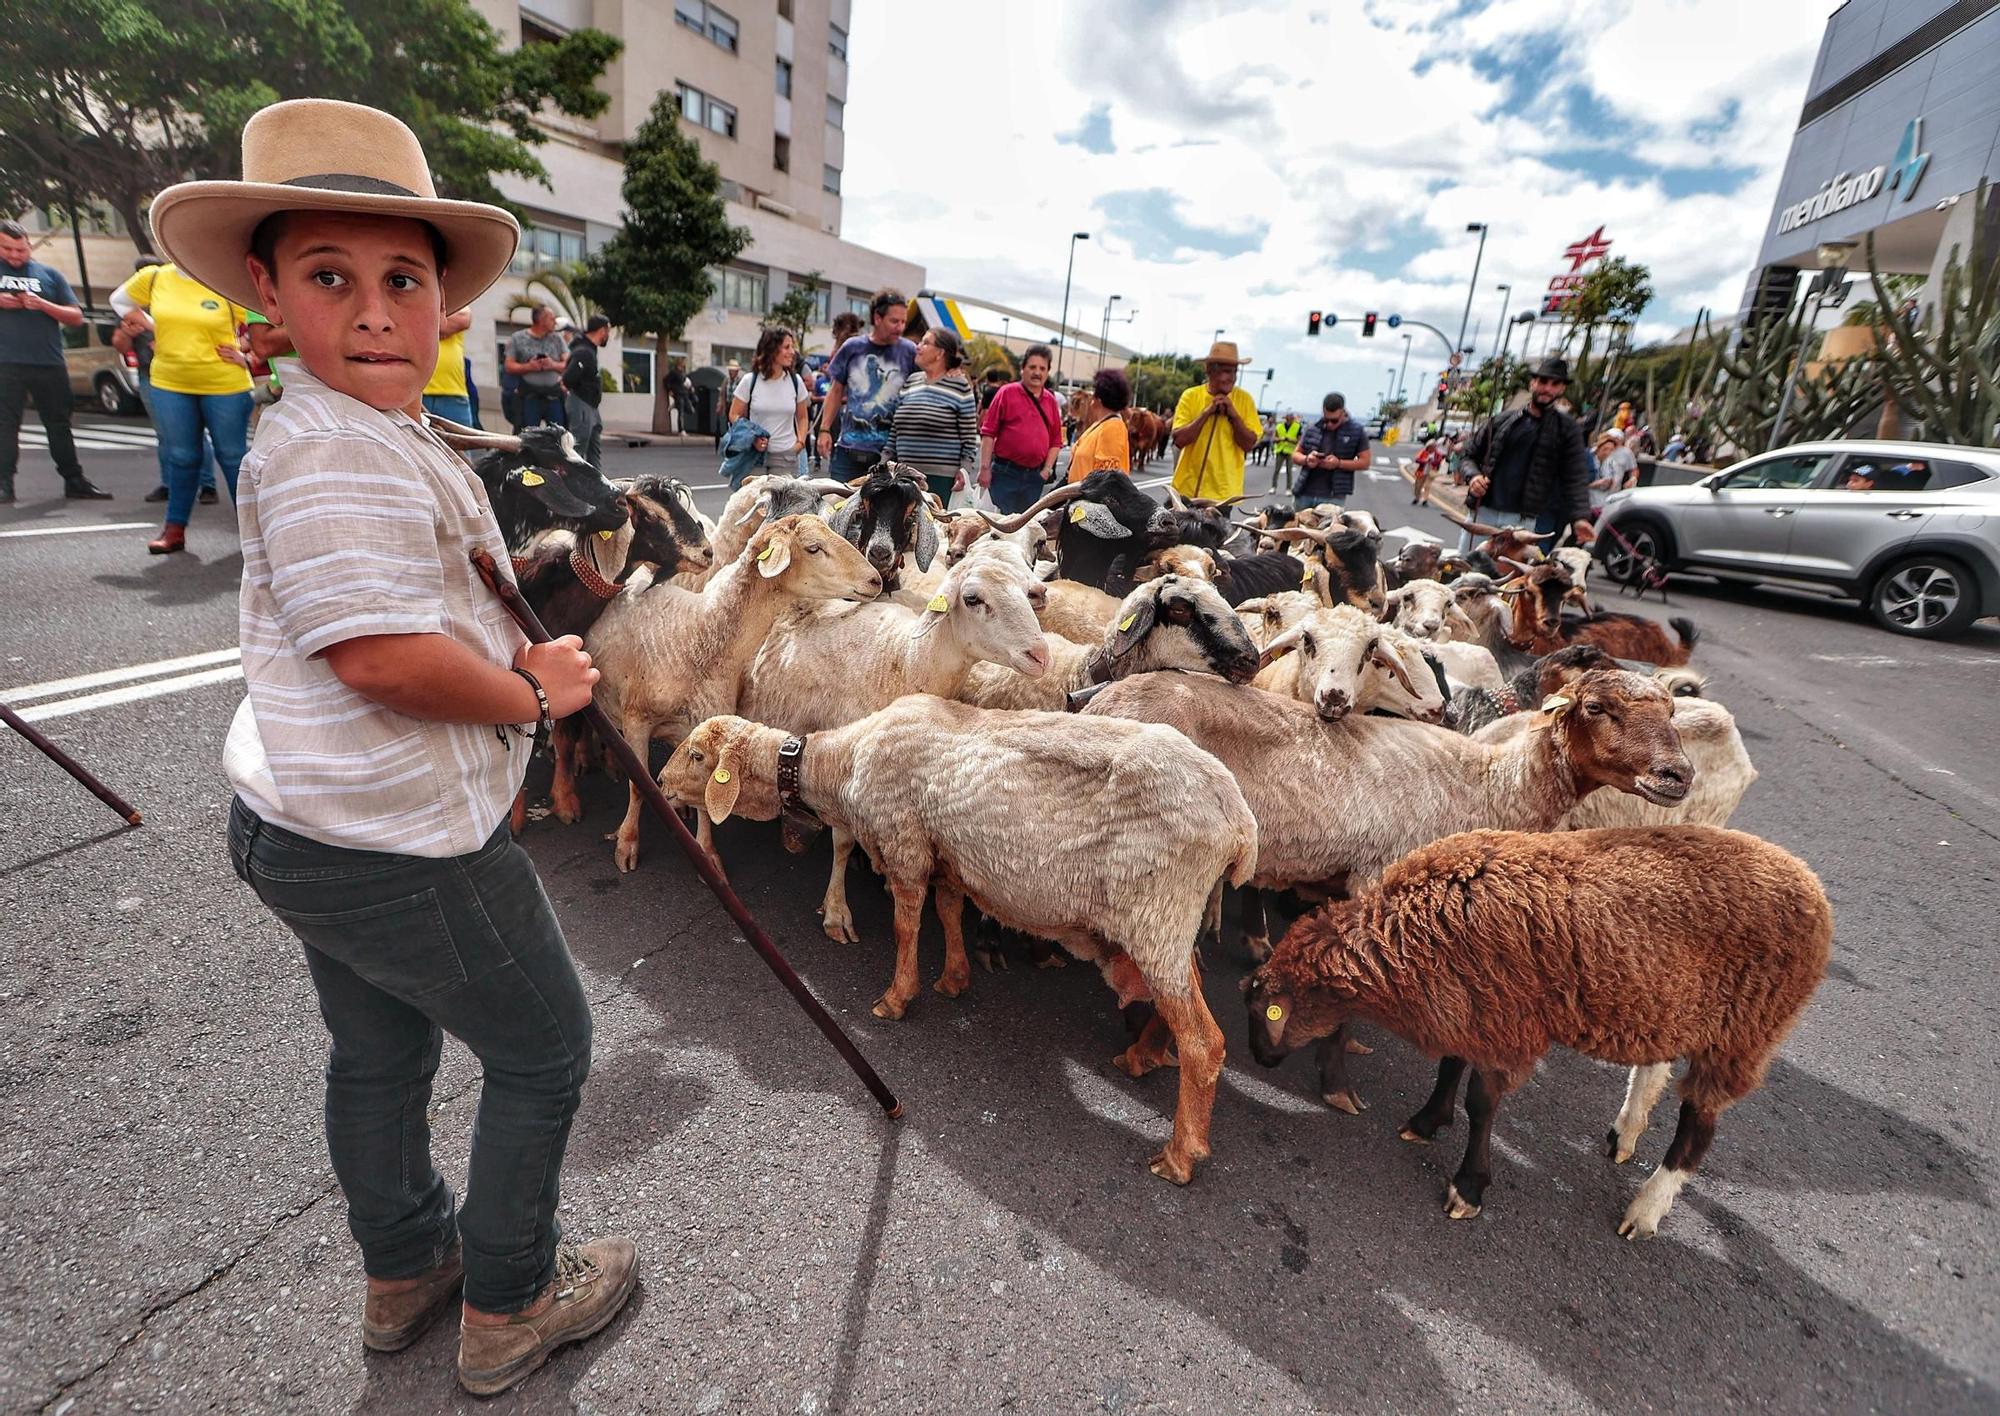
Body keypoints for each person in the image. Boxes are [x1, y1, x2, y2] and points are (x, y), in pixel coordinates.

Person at [152, 97, 634, 1397]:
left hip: (305, 823)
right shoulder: (329, 454)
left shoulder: (353, 428)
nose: (372, 312)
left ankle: (405, 1268)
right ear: (267, 289)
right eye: (330, 277)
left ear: (443, 305)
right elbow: (379, 658)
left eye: (401, 280)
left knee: (380, 1051)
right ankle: (514, 1297)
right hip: (397, 838)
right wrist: (532, 691)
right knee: (543, 1048)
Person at [112, 258, 253, 553]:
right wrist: (151, 326)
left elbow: (267, 318)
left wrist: (248, 356)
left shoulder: (225, 276)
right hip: (169, 381)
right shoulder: (154, 277)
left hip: (224, 382)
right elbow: (118, 300)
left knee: (233, 457)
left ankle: (257, 537)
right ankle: (174, 530)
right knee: (182, 456)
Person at [0, 219, 110, 503]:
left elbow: (75, 317)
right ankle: (4, 484)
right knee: (5, 424)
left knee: (59, 422)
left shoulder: (48, 274)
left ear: (29, 246)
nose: (14, 255)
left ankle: (74, 480)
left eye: (20, 250)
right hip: (5, 363)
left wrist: (43, 305)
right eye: (7, 249)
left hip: (48, 362)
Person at [1459, 355, 1596, 550]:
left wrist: (1580, 518)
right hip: (1483, 514)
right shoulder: (1500, 421)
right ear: (1533, 383)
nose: (1547, 388)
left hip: (1523, 523)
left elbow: (1576, 477)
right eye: (1542, 381)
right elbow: (1468, 455)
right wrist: (1473, 477)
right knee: (1465, 572)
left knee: (1511, 579)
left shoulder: (1567, 430)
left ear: (1562, 389)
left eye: (1554, 384)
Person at [118, 255, 220, 505]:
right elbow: (119, 344)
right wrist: (126, 333)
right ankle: (169, 484)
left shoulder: (178, 298)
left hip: (184, 372)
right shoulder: (132, 308)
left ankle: (207, 484)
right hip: (149, 375)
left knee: (196, 433)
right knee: (165, 434)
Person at [818, 288, 917, 480]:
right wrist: (824, 429)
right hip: (849, 450)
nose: (900, 327)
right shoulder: (852, 347)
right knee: (838, 505)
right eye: (894, 321)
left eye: (903, 322)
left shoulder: (910, 351)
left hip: (890, 455)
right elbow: (836, 390)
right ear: (877, 318)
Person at [885, 326, 979, 502]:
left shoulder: (960, 386)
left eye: (925, 343)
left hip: (941, 481)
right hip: (904, 476)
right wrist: (884, 461)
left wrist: (964, 470)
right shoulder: (912, 381)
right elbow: (895, 429)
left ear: (940, 353)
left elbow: (969, 438)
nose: (918, 346)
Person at [977, 342, 1065, 512]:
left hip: (1034, 478)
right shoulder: (1006, 393)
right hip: (1005, 474)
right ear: (1023, 368)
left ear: (1047, 372)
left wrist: (1046, 470)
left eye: (1042, 368)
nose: (1037, 372)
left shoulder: (1050, 401)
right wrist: (984, 468)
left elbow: (1056, 441)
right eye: (1032, 367)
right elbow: (988, 433)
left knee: (1025, 530)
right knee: (999, 526)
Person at [1169, 341, 1260, 500]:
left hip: (1223, 497)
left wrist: (1233, 415)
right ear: (1210, 371)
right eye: (1226, 372)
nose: (1231, 378)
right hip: (1186, 491)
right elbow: (1179, 439)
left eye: (1234, 372)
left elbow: (1249, 443)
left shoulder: (1245, 400)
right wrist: (1206, 413)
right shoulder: (1191, 396)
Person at [727, 325, 810, 485]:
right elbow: (734, 414)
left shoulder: (796, 382)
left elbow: (802, 417)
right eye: (787, 347)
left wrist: (800, 443)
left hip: (786, 456)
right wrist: (752, 437)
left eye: (792, 347)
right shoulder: (750, 381)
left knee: (783, 508)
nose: (792, 352)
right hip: (755, 455)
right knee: (756, 506)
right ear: (772, 349)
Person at [1291, 392, 1372, 508]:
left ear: (1343, 413)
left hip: (1333, 498)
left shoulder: (1356, 431)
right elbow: (1295, 454)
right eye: (1326, 419)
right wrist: (1307, 459)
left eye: (1334, 420)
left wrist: (1338, 463)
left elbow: (1365, 462)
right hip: (1304, 493)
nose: (1329, 424)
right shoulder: (1313, 428)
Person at [505, 305, 568, 429]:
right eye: (551, 318)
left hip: (553, 395)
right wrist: (529, 367)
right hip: (529, 396)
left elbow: (567, 364)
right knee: (528, 435)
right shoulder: (518, 338)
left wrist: (552, 365)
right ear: (541, 320)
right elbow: (509, 366)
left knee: (559, 435)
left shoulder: (557, 339)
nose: (555, 322)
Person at [562, 314, 612, 468]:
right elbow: (568, 378)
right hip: (581, 404)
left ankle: (596, 485)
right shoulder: (583, 352)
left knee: (593, 450)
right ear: (602, 330)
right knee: (577, 449)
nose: (608, 335)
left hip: (591, 406)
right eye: (608, 331)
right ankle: (570, 484)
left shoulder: (590, 350)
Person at [1066, 367, 1132, 484]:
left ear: (1099, 400)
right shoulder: (1100, 424)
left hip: (1088, 500)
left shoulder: (1112, 429)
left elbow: (1105, 482)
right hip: (1079, 497)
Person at [422, 306, 477, 426]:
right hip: (416, 392)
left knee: (462, 443)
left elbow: (463, 319)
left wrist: (421, 324)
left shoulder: (457, 299)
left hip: (453, 393)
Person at [1270, 410, 1302, 494]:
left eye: (1291, 418)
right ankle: (1273, 487)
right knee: (1276, 470)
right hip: (1280, 450)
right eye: (1288, 418)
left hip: (1291, 452)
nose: (1289, 420)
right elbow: (1274, 439)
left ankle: (1288, 489)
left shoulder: (1297, 426)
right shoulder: (1279, 426)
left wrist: (1290, 440)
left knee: (1289, 471)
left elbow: (1299, 440)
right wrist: (1281, 439)